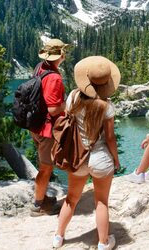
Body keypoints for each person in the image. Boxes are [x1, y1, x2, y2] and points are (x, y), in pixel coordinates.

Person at [52, 56, 121, 250]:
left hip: (77, 156)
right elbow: (110, 138)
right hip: (100, 158)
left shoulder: (73, 97)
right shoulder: (107, 106)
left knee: (71, 199)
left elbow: (68, 119)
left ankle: (58, 237)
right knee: (101, 202)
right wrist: (115, 160)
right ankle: (103, 242)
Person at [31, 38, 69, 217]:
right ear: (61, 54)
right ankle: (38, 206)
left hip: (35, 124)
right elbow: (53, 109)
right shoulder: (53, 77)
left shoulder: (40, 67)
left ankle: (42, 197)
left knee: (44, 165)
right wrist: (67, 105)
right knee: (46, 168)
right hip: (46, 130)